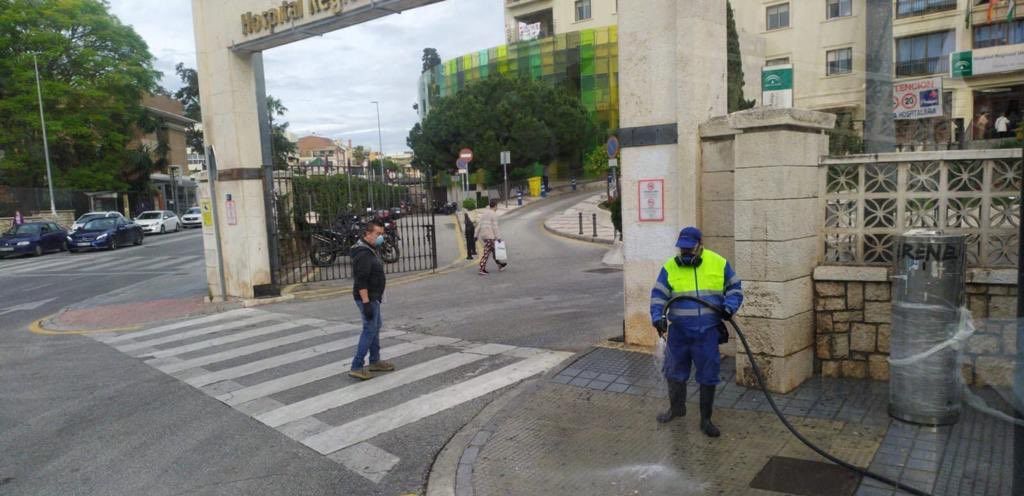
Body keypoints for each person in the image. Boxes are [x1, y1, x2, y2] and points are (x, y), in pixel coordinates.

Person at [649, 226, 743, 438]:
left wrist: (729, 307)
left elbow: (735, 288)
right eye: (682, 249)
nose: (686, 253)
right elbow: (658, 295)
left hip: (707, 332)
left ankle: (706, 419)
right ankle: (677, 409)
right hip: (679, 332)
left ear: (700, 245)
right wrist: (658, 317)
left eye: (689, 249)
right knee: (673, 370)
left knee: (708, 375)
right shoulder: (670, 267)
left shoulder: (718, 263)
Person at [349, 220, 395, 380]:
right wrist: (366, 302)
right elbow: (360, 280)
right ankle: (356, 366)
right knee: (369, 329)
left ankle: (374, 361)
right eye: (377, 234)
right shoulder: (363, 254)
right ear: (367, 234)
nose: (380, 237)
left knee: (375, 326)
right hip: (367, 298)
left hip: (374, 296)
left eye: (382, 234)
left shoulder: (369, 249)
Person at [475, 199, 507, 276]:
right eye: (497, 206)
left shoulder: (484, 213)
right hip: (490, 236)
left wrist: (475, 235)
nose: (497, 208)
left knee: (494, 251)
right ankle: (482, 269)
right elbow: (495, 227)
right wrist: (498, 237)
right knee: (486, 252)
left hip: (484, 235)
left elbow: (479, 225)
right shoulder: (494, 214)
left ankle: (500, 265)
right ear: (495, 206)